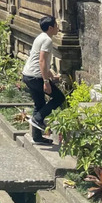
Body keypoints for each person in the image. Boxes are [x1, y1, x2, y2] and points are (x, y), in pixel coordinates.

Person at [23, 16, 64, 145]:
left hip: (28, 75)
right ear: (51, 28)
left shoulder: (40, 37)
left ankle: (37, 137)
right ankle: (38, 118)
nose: (58, 27)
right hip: (37, 77)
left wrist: (51, 76)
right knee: (59, 98)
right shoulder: (47, 40)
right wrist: (46, 82)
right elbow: (41, 61)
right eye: (56, 25)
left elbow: (43, 62)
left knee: (39, 105)